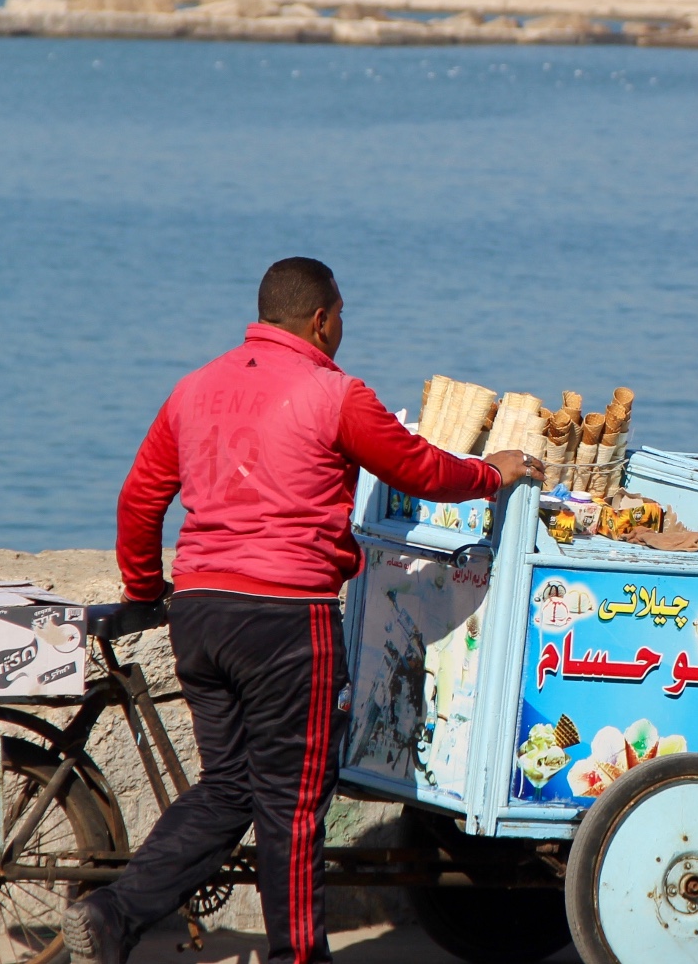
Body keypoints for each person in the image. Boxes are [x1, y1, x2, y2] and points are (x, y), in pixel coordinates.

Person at [66, 258, 543, 964]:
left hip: (200, 614)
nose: (343, 329)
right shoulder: (335, 395)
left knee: (228, 788)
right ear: (321, 319)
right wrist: (491, 472)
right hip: (286, 622)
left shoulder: (193, 389)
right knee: (291, 805)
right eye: (342, 316)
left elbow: (139, 501)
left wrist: (145, 591)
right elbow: (419, 469)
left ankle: (111, 915)